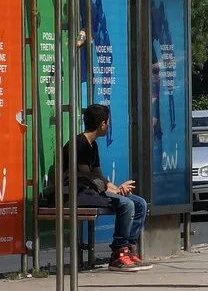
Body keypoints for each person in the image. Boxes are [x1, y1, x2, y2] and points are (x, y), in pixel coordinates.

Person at [60, 104, 150, 272]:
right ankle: (118, 253)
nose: (108, 126)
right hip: (76, 193)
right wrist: (114, 192)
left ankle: (128, 248)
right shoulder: (78, 144)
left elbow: (98, 175)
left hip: (91, 190)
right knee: (126, 204)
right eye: (107, 123)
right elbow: (86, 177)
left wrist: (117, 189)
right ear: (102, 124)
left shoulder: (93, 145)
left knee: (139, 203)